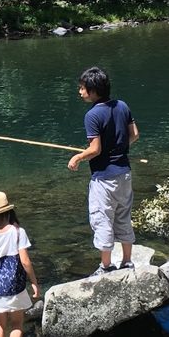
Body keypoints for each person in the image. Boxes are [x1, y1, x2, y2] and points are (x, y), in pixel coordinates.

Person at [67, 66, 140, 276]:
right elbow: (134, 134)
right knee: (124, 216)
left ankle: (106, 266)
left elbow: (95, 149)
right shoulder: (122, 106)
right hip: (124, 174)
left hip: (104, 178)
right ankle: (127, 262)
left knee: (102, 219)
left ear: (93, 90)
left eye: (82, 88)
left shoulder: (92, 115)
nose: (80, 92)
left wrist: (78, 157)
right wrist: (118, 147)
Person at [0, 191, 41, 337]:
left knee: (0, 321)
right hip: (15, 285)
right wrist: (34, 282)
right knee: (17, 323)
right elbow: (25, 261)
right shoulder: (18, 232)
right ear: (8, 211)